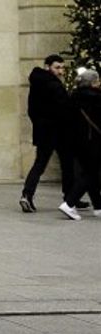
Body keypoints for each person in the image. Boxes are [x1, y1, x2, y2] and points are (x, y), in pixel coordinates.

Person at [20, 54, 78, 213]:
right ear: (47, 67)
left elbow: (32, 110)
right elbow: (65, 108)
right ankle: (70, 199)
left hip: (44, 131)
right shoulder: (54, 85)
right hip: (59, 130)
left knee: (42, 163)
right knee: (65, 163)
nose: (61, 71)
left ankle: (27, 194)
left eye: (62, 68)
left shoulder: (37, 83)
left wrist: (39, 124)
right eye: (57, 67)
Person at [59, 67, 101, 220]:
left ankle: (98, 206)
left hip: (76, 142)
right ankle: (69, 204)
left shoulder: (73, 97)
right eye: (98, 80)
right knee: (91, 173)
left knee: (91, 173)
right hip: (92, 141)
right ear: (93, 83)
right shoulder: (96, 98)